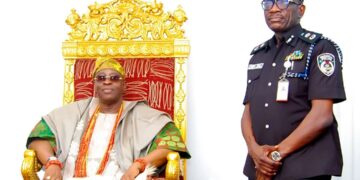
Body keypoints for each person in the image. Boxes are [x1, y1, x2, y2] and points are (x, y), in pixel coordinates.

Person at [26, 58, 190, 180]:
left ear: (124, 85)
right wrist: (52, 162)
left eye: (114, 78)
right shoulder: (74, 111)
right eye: (101, 78)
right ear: (95, 85)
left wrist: (139, 164)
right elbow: (40, 137)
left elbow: (171, 144)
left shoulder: (141, 114)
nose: (107, 82)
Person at [241, 0, 346, 179]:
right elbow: (248, 112)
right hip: (261, 168)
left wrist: (275, 155)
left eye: (282, 2)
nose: (273, 8)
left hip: (305, 167)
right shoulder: (259, 55)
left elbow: (322, 115)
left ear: (301, 10)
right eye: (267, 3)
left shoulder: (319, 48)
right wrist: (255, 152)